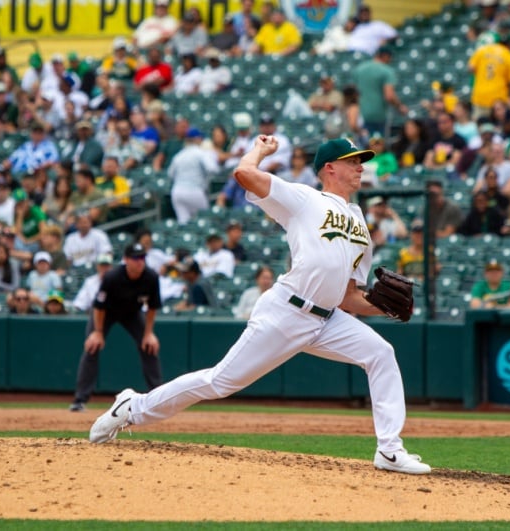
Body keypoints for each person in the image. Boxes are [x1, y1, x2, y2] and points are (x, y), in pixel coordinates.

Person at [88, 136, 432, 476]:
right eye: (353, 161)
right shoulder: (305, 199)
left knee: (380, 353)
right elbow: (244, 174)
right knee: (220, 382)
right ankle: (133, 406)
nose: (360, 167)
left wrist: (384, 307)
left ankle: (389, 450)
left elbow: (347, 296)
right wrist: (261, 150)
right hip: (287, 311)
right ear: (330, 168)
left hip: (327, 320)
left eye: (361, 162)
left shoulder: (360, 223)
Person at [70, 243, 162, 412]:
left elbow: (152, 307)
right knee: (92, 346)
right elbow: (98, 306)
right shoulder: (112, 276)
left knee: (149, 346)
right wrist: (97, 333)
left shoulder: (151, 277)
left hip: (132, 313)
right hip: (106, 313)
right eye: (135, 258)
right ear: (126, 260)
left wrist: (149, 333)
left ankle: (158, 399)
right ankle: (79, 400)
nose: (139, 261)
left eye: (142, 257)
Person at [352, 47, 407, 136]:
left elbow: (353, 92)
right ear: (385, 56)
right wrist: (400, 106)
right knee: (377, 146)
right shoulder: (386, 70)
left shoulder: (359, 69)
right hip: (378, 116)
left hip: (359, 115)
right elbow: (389, 96)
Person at [168, 127, 218, 224]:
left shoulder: (179, 155)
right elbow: (213, 169)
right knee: (204, 220)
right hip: (194, 191)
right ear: (197, 139)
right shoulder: (201, 153)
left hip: (177, 192)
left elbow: (170, 174)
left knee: (183, 223)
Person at [468, 33, 510, 120]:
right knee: (498, 127)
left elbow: (470, 68)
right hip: (498, 99)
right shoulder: (509, 56)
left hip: (480, 95)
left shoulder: (483, 50)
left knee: (479, 126)